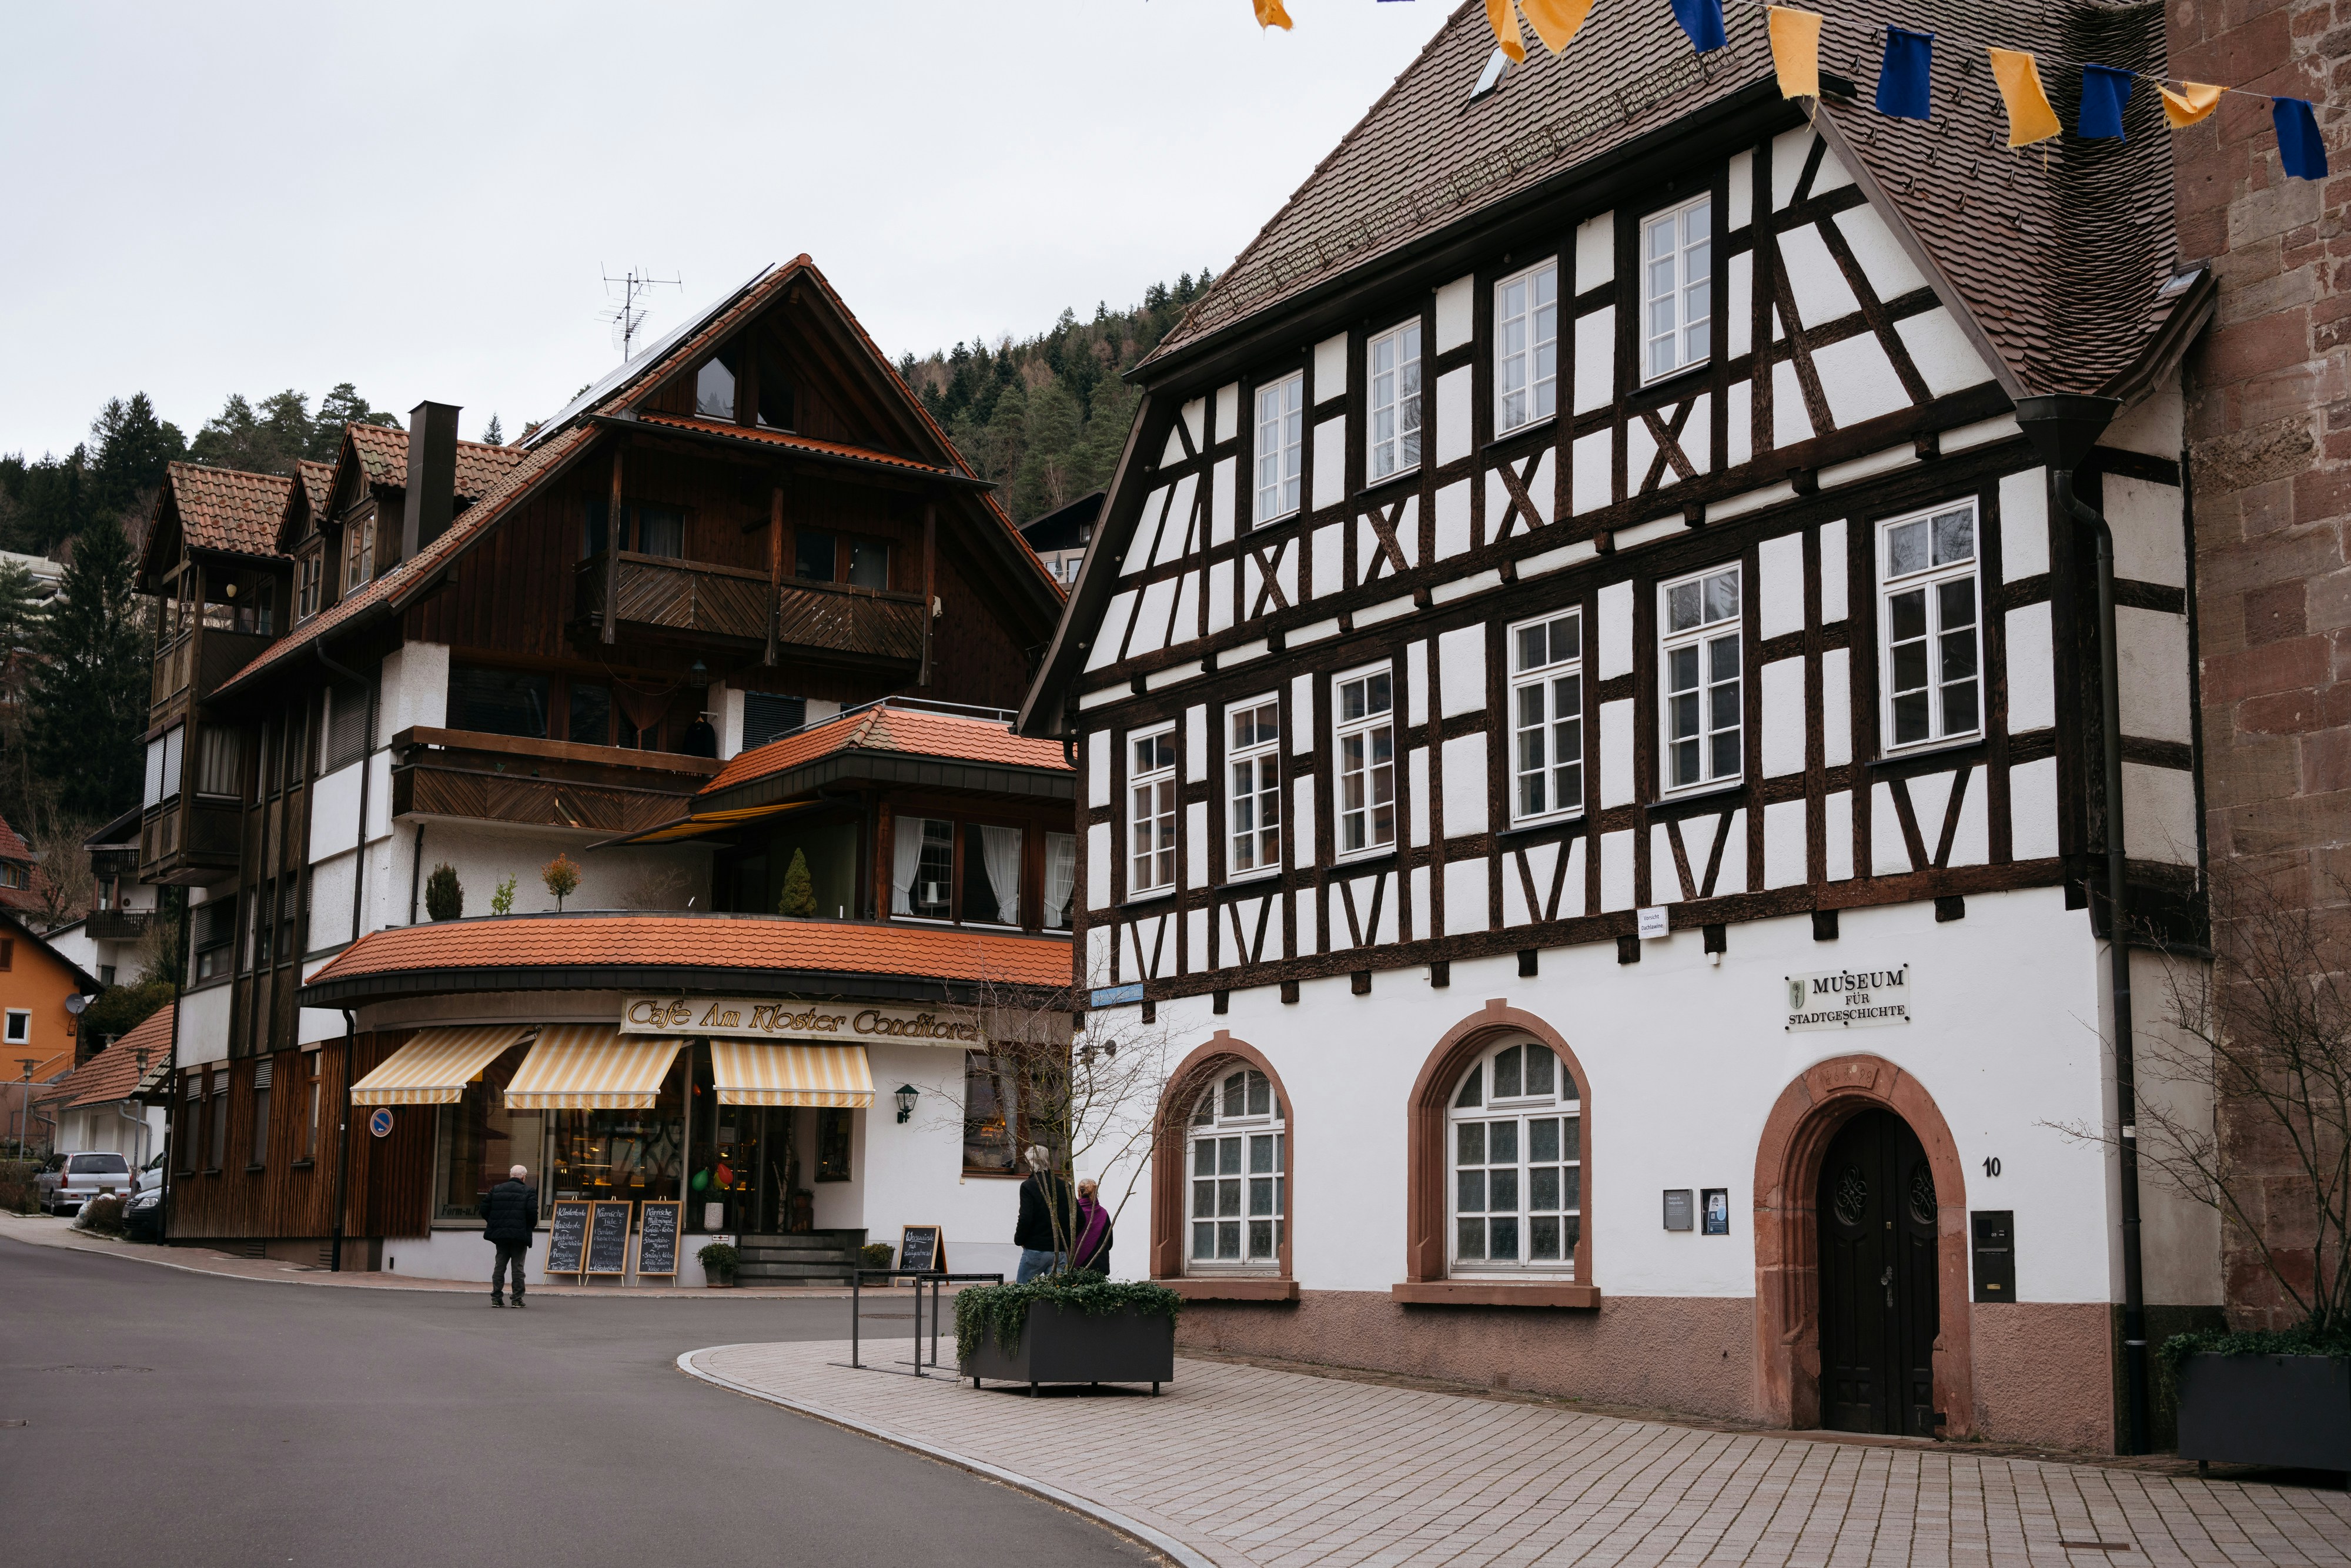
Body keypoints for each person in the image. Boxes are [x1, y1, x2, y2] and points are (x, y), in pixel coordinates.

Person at [479, 1163, 537, 1308]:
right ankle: (517, 1299)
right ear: (524, 1177)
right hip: (519, 1235)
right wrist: (528, 1227)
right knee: (518, 1267)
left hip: (501, 1235)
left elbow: (484, 1208)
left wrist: (494, 1222)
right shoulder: (529, 1191)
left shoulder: (497, 1190)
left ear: (511, 1175)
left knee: (500, 1265)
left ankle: (496, 1298)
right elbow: (532, 1215)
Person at [1012, 1145, 1072, 1282]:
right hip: (1059, 1251)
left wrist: (1019, 1240)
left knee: (1022, 1293)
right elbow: (1079, 1218)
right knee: (1056, 1298)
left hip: (1035, 1248)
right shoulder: (1065, 1186)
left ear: (1031, 1163)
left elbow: (1026, 1218)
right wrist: (1066, 1241)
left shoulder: (1029, 1186)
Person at [1071, 1178, 1113, 1276]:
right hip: (1100, 1266)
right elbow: (1109, 1243)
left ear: (1079, 1193)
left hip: (1077, 1267)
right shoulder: (1104, 1214)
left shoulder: (1074, 1213)